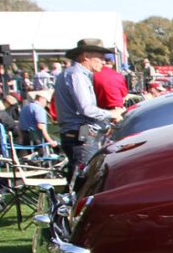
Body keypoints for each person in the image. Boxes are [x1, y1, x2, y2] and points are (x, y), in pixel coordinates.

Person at [52, 39, 121, 175]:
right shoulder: (77, 75)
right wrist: (112, 114)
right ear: (86, 57)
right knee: (85, 179)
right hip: (81, 137)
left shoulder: (72, 74)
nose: (104, 61)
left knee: (81, 178)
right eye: (100, 57)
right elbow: (86, 109)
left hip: (77, 135)